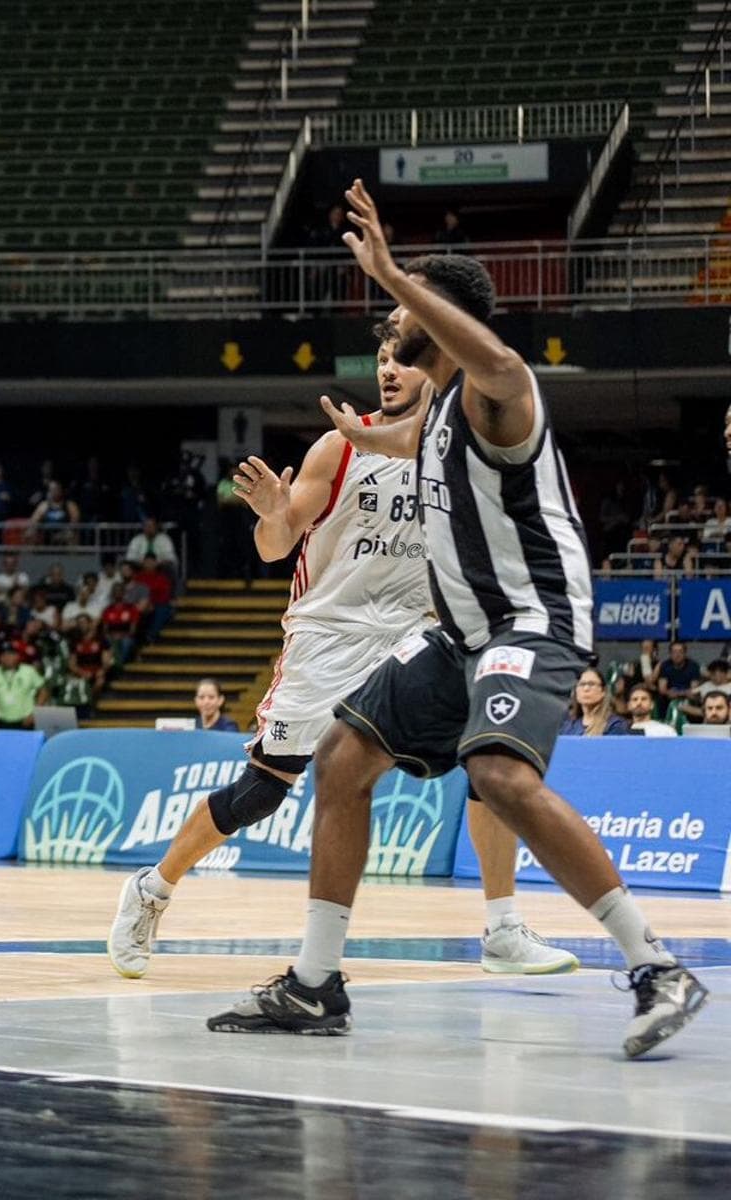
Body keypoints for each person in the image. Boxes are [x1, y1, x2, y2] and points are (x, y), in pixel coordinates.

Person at [208, 186, 705, 1055]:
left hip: (531, 622)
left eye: (406, 307)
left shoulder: (498, 393)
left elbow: (500, 365)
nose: (394, 318)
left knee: (501, 775)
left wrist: (400, 270)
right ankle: (316, 985)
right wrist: (322, 467)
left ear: (443, 316)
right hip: (461, 632)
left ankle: (657, 967)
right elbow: (399, 442)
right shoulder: (433, 414)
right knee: (341, 759)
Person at [116, 326, 579, 984]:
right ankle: (151, 891)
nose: (390, 369)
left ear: (435, 366)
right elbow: (277, 545)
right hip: (328, 633)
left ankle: (502, 925)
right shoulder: (339, 446)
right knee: (261, 792)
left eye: (404, 360)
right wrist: (275, 512)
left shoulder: (452, 444)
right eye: (384, 360)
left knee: (487, 752)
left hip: (413, 630)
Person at [0, 647, 47, 730]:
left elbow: (44, 691)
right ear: (0, 658)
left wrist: (34, 714)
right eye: (4, 655)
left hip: (25, 721)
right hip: (1, 722)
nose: (7, 658)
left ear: (18, 657)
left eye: (11, 654)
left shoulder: (29, 671)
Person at [561, 669, 630, 736]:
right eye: (582, 684)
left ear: (603, 691)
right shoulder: (568, 727)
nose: (586, 688)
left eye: (591, 684)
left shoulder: (615, 725)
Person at [653, 641, 703, 720]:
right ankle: (662, 721)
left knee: (695, 698)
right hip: (669, 696)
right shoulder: (665, 665)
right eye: (674, 652)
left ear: (685, 653)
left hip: (687, 696)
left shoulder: (693, 666)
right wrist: (669, 692)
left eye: (680, 651)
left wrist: (679, 693)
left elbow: (694, 688)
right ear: (670, 654)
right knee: (660, 699)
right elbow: (662, 689)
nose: (677, 655)